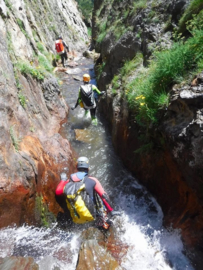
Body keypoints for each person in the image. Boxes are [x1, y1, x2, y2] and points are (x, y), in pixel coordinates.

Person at [55, 156, 120, 229]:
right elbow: (104, 196)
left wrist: (63, 180)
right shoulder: (93, 180)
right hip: (92, 216)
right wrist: (111, 211)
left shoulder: (69, 181)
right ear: (88, 168)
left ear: (76, 167)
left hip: (76, 217)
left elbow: (58, 192)